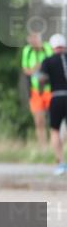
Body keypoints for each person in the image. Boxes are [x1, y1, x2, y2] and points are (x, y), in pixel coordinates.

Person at [38, 33, 67, 177]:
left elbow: (41, 79)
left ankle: (61, 163)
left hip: (56, 97)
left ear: (52, 47)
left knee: (55, 131)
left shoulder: (48, 61)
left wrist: (41, 89)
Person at [22, 32, 54, 151]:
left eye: (34, 40)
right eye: (30, 41)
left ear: (39, 40)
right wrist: (35, 69)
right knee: (39, 121)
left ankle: (55, 145)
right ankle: (43, 147)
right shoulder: (27, 50)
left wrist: (41, 67)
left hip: (49, 89)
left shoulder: (47, 48)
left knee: (54, 119)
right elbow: (26, 70)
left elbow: (53, 65)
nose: (33, 43)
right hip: (35, 91)